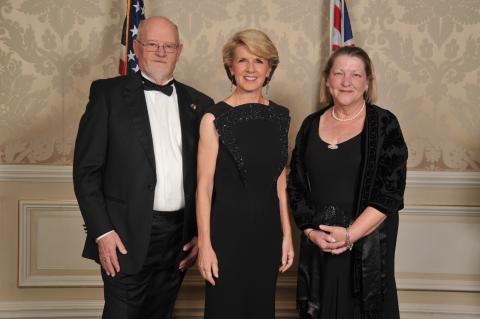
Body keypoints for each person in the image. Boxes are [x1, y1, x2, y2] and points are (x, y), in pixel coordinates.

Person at [73, 16, 213, 319]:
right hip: (123, 235)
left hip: (178, 238)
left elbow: (207, 178)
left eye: (169, 45)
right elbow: (86, 172)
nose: (161, 52)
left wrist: (201, 233)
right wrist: (102, 233)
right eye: (152, 44)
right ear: (137, 47)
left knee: (160, 314)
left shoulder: (200, 104)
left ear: (179, 50)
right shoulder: (107, 95)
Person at [287, 46, 408, 319]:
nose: (346, 82)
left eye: (355, 75)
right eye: (339, 73)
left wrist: (350, 236)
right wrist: (309, 231)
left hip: (366, 247)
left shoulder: (385, 123)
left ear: (367, 82)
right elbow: (296, 185)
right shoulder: (310, 124)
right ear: (327, 81)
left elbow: (390, 192)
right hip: (320, 246)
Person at [195, 29, 295, 319]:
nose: (251, 69)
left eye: (259, 61)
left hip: (266, 235)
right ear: (231, 67)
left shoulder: (281, 116)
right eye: (243, 61)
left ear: (270, 69)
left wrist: (287, 235)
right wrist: (205, 245)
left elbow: (280, 183)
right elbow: (204, 187)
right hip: (226, 236)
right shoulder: (213, 118)